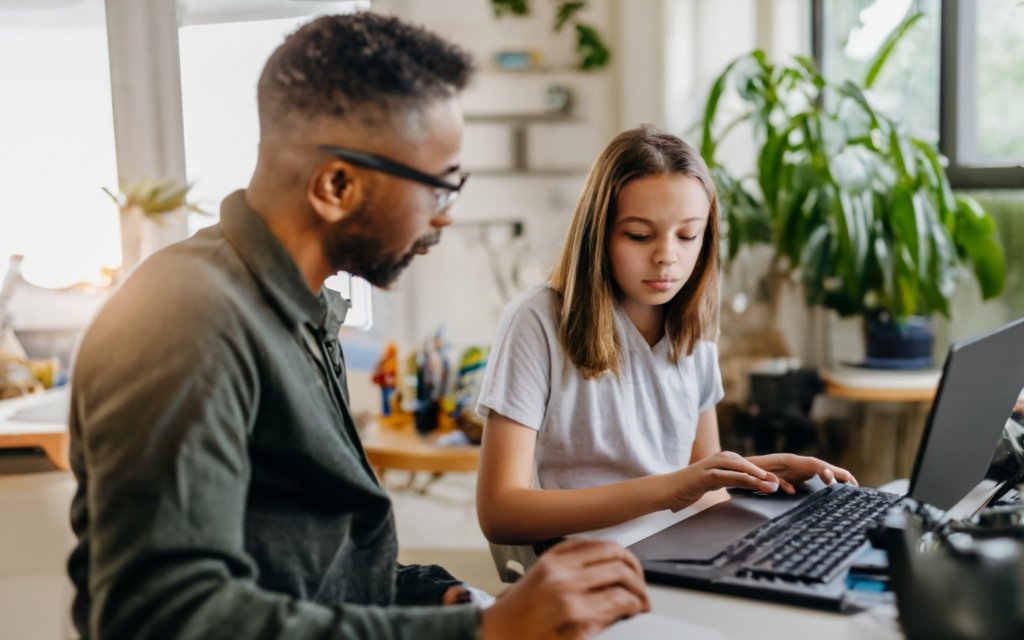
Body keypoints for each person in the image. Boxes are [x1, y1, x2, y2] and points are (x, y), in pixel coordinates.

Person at [67, 12, 649, 639]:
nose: (447, 216)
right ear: (337, 185)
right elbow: (162, 617)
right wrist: (485, 633)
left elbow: (317, 572)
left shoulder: (300, 309)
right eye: (439, 187)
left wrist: (450, 600)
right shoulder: (185, 319)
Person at [475, 126, 857, 545]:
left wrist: (760, 473)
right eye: (639, 235)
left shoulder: (692, 329)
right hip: (589, 565)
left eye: (688, 235)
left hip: (678, 553)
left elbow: (704, 494)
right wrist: (671, 490)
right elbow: (500, 512)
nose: (666, 257)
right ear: (597, 234)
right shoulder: (537, 322)